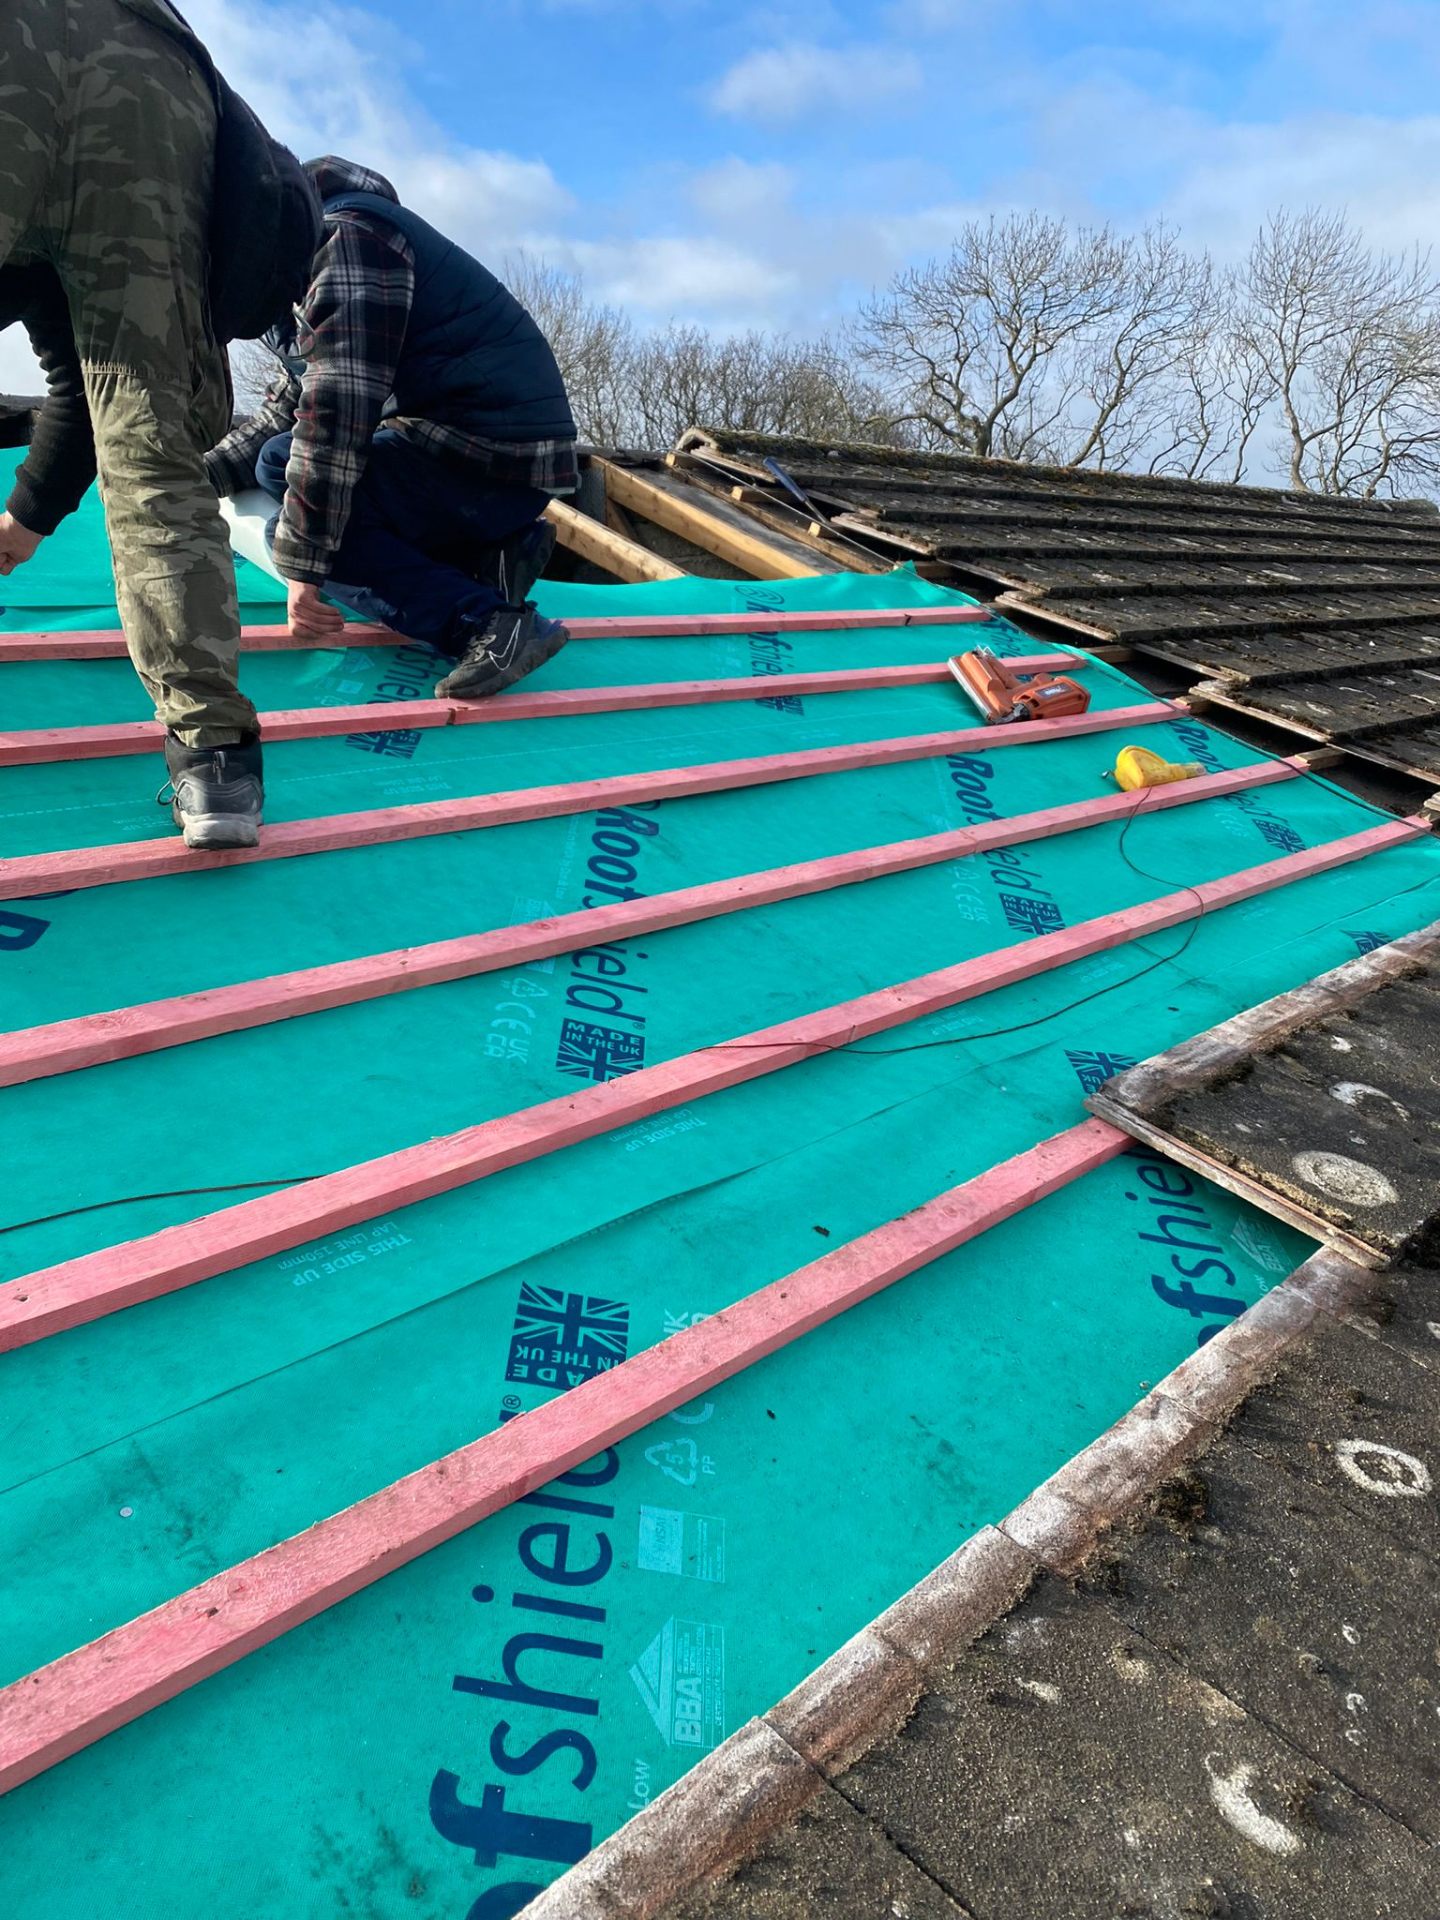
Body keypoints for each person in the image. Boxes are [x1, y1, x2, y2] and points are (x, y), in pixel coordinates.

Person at [0, 0, 265, 850]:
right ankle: (216, 762)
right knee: (150, 425)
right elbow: (93, 393)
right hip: (151, 70)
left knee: (145, 422)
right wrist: (25, 522)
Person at [208, 158, 578, 699]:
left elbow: (334, 419)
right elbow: (289, 409)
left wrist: (305, 568)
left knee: (296, 529)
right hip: (488, 459)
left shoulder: (348, 244)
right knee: (278, 466)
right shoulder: (312, 251)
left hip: (492, 463)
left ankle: (485, 624)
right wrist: (196, 477)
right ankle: (483, 560)